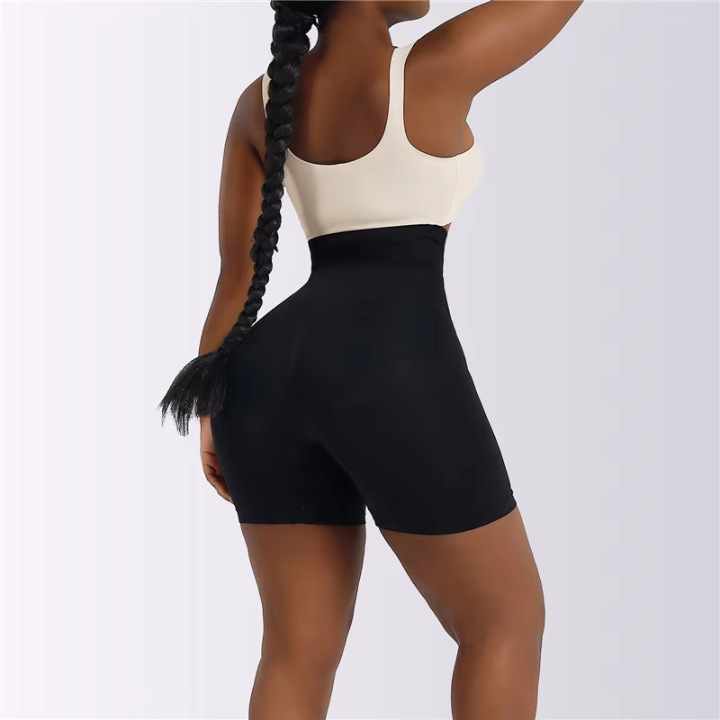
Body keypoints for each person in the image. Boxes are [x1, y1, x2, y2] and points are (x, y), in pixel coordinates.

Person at [159, 1, 584, 717]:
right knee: (504, 621)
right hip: (387, 358)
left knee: (295, 650)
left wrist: (211, 411)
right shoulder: (436, 65)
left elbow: (237, 275)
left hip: (259, 377)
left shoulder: (259, 101)